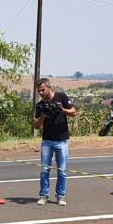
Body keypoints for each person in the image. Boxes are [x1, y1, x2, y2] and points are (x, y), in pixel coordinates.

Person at [32, 78, 76, 206]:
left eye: (42, 90)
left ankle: (60, 196)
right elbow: (35, 126)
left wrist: (62, 109)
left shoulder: (61, 97)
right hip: (47, 141)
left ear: (49, 87)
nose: (40, 93)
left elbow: (73, 112)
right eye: (39, 91)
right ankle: (43, 195)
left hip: (61, 141)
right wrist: (43, 116)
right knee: (44, 170)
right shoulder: (40, 105)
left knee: (62, 170)